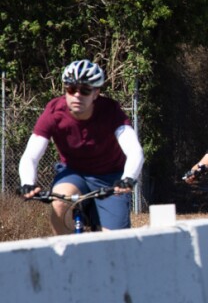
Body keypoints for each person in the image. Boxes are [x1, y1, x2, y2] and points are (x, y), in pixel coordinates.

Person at [19, 59, 144, 233]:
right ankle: (70, 255)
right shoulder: (54, 111)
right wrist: (28, 183)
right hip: (73, 173)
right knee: (59, 204)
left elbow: (134, 150)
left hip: (110, 178)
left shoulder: (110, 111)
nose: (77, 95)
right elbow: (31, 156)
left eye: (85, 90)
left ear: (96, 93)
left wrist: (128, 178)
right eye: (71, 89)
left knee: (115, 241)